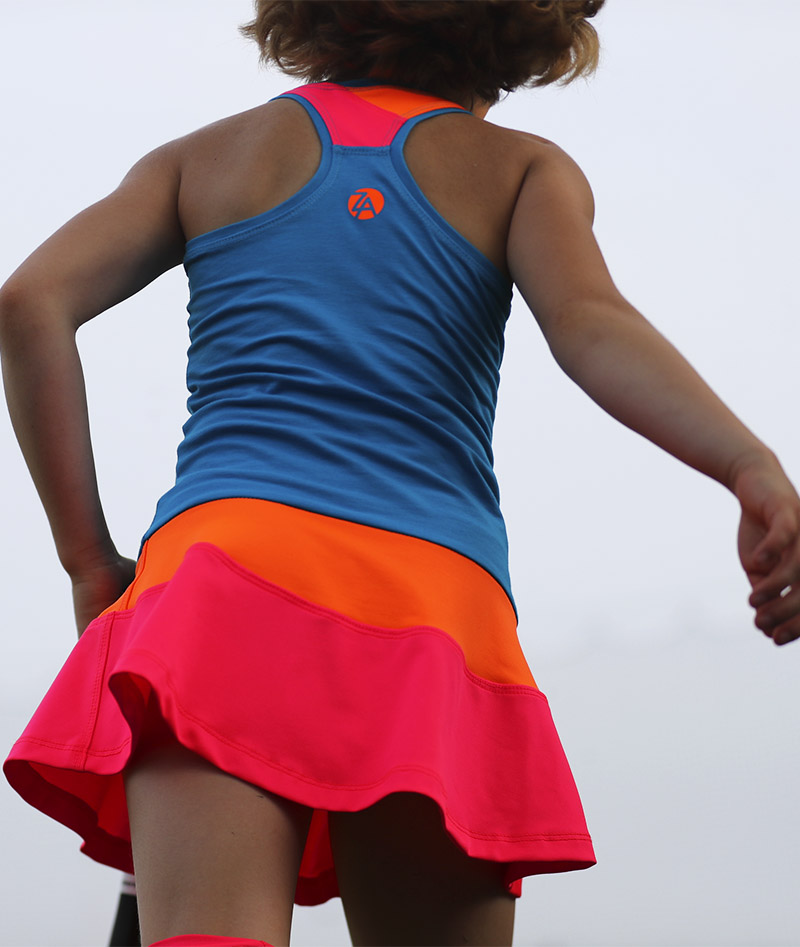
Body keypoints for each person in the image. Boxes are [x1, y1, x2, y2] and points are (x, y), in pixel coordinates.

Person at [2, 2, 800, 946]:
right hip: (429, 608)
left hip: (222, 587)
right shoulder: (518, 170)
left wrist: (88, 561)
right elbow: (593, 325)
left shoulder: (207, 156)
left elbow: (31, 300)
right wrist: (746, 462)